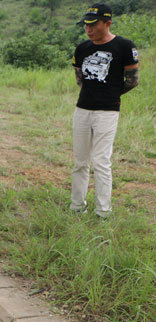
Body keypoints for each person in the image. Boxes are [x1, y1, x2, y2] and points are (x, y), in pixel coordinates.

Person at [71, 3, 139, 218]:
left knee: (101, 161)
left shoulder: (124, 46)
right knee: (80, 161)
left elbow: (132, 80)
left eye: (94, 25)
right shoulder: (82, 49)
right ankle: (76, 207)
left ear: (107, 23)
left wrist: (110, 95)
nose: (89, 30)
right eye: (86, 25)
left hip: (107, 111)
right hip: (82, 109)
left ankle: (103, 211)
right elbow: (80, 79)